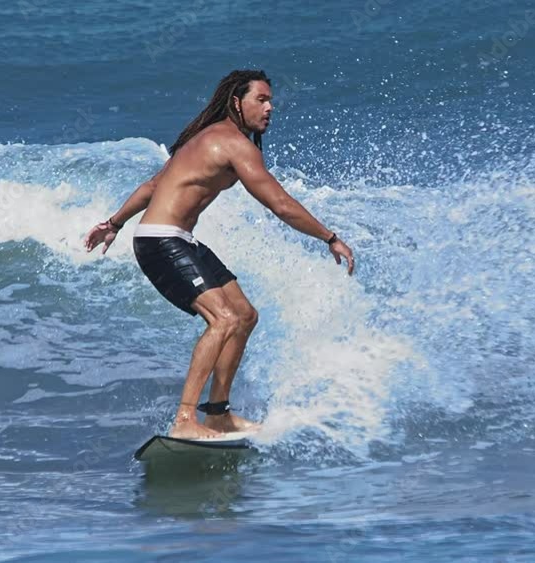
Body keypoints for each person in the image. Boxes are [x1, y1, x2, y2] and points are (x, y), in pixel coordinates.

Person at [83, 70, 355, 439]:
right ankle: (184, 421)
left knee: (244, 315)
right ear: (236, 102)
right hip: (161, 240)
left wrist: (114, 223)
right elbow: (279, 204)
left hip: (177, 238)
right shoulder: (232, 144)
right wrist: (330, 237)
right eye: (261, 99)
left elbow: (153, 185)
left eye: (271, 100)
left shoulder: (202, 138)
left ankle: (218, 414)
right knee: (223, 319)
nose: (270, 108)